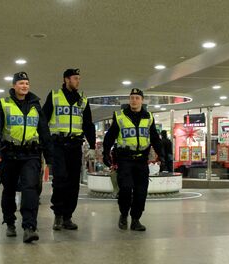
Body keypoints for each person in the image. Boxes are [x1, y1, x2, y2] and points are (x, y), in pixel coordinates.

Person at [0, 72, 52, 243]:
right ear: (13, 86)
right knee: (9, 189)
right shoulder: (4, 104)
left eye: (27, 83)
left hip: (31, 154)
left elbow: (44, 131)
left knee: (30, 189)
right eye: (21, 83)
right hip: (9, 154)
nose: (24, 86)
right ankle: (10, 221)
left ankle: (29, 227)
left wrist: (49, 155)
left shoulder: (35, 105)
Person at [102, 88, 163, 231]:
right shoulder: (120, 116)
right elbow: (110, 136)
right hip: (125, 160)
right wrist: (105, 153)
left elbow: (154, 138)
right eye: (132, 98)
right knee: (126, 188)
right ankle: (123, 214)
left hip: (141, 160)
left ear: (142, 100)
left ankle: (136, 219)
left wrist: (162, 155)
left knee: (141, 191)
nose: (134, 100)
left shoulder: (149, 117)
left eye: (137, 98)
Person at [42, 68, 96, 231]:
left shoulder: (83, 100)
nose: (78, 81)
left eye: (79, 78)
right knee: (60, 179)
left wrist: (92, 146)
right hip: (58, 144)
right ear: (66, 79)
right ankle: (58, 215)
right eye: (75, 78)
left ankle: (68, 217)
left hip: (75, 146)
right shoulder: (54, 96)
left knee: (73, 182)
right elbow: (43, 120)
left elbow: (88, 124)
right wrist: (44, 144)